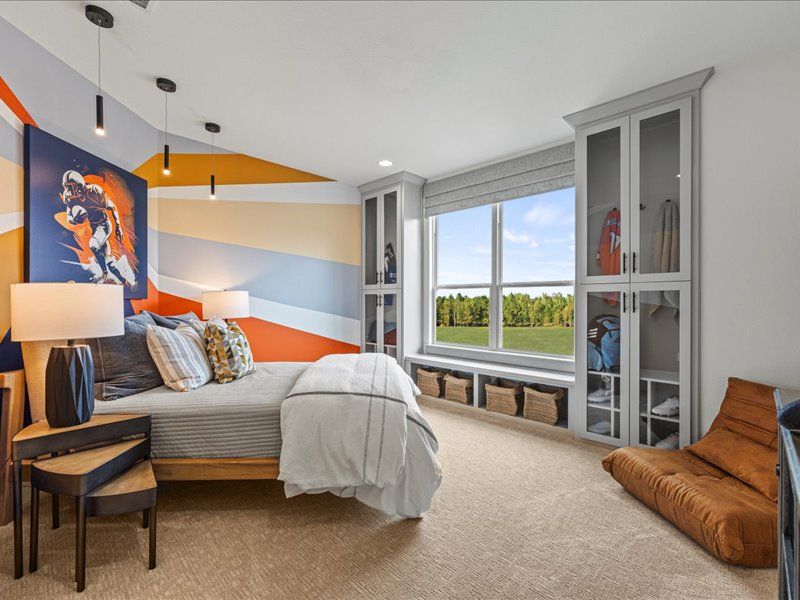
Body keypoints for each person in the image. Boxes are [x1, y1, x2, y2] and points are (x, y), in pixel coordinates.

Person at [60, 170, 134, 287]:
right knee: (110, 264)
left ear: (79, 186)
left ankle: (105, 273)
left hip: (104, 225)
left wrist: (118, 227)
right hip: (95, 228)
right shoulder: (70, 199)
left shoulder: (94, 191)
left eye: (70, 187)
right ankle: (126, 283)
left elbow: (112, 207)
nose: (68, 191)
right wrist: (75, 219)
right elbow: (69, 217)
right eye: (67, 187)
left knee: (93, 245)